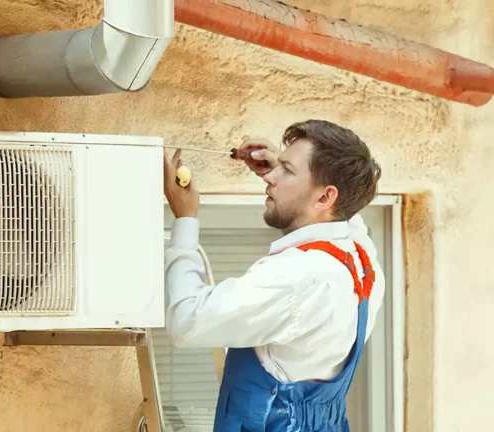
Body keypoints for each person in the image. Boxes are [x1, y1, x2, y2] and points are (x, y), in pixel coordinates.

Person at [162, 119, 384, 432]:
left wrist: (185, 218)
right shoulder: (362, 259)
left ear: (324, 197)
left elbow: (186, 322)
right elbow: (346, 210)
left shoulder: (297, 274)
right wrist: (286, 169)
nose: (271, 179)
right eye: (278, 167)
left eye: (287, 171)